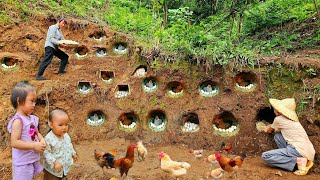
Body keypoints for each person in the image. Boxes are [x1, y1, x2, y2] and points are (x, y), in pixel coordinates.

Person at [261, 98, 315, 176]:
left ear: (279, 111)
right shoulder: (293, 120)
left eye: (275, 109)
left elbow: (270, 130)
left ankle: (298, 161)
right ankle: (294, 159)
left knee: (265, 156)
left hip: (297, 150)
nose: (274, 110)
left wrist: (264, 128)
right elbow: (277, 129)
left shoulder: (278, 119)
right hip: (308, 151)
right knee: (278, 136)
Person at [7, 81, 46, 180]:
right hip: (22, 163)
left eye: (35, 101)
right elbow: (14, 142)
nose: (34, 104)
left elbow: (36, 132)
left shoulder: (31, 118)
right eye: (31, 101)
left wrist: (42, 141)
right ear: (19, 101)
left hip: (31, 159)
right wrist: (34, 146)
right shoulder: (18, 121)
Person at [43, 109, 78, 179]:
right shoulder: (48, 139)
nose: (64, 127)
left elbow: (69, 145)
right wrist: (55, 163)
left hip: (64, 167)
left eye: (66, 124)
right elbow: (46, 152)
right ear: (51, 124)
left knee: (64, 177)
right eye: (60, 125)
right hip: (52, 171)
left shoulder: (66, 135)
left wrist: (73, 153)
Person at [36, 16, 69, 80]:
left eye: (64, 24)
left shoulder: (59, 31)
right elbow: (51, 39)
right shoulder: (53, 27)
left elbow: (63, 40)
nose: (63, 25)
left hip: (55, 47)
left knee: (65, 57)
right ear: (58, 22)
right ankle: (38, 76)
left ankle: (61, 71)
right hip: (50, 47)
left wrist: (67, 44)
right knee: (46, 60)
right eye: (63, 23)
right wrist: (59, 43)